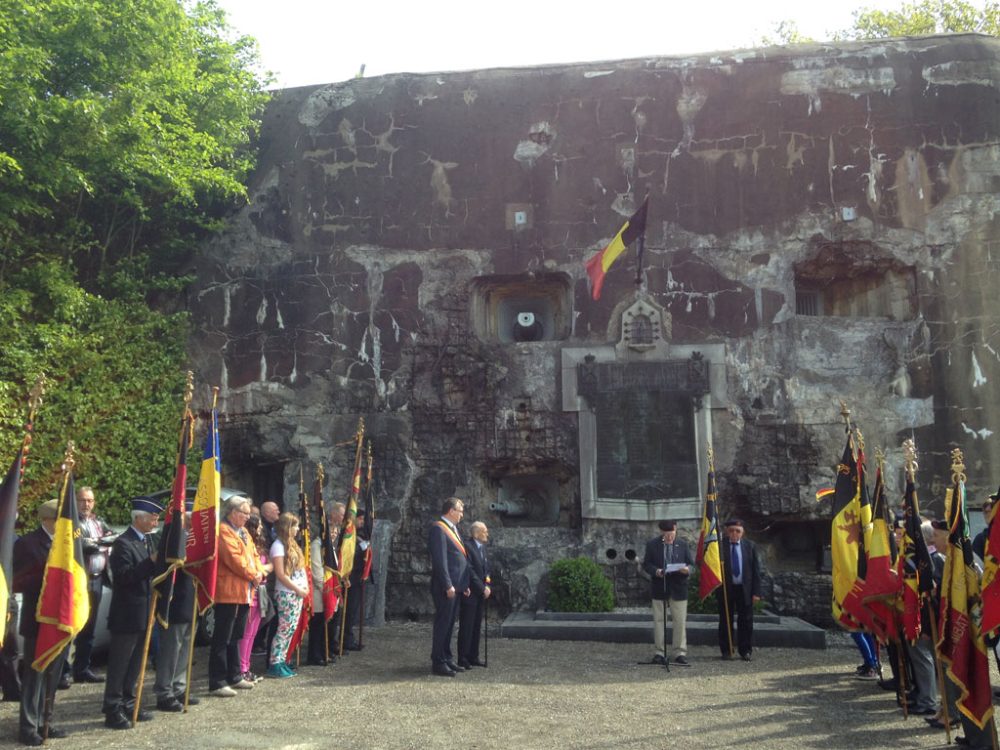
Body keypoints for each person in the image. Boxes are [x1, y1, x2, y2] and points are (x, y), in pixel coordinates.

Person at [102, 497, 162, 730]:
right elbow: (125, 577)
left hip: (144, 611)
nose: (155, 521)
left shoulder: (145, 541)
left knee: (136, 663)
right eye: (152, 518)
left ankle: (129, 701)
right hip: (127, 613)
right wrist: (151, 561)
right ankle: (112, 707)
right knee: (120, 664)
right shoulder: (123, 544)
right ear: (138, 518)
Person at [14, 500, 69, 746]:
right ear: (48, 520)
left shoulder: (67, 544)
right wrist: (49, 577)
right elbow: (19, 580)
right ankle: (28, 726)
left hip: (60, 618)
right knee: (35, 675)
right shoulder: (28, 544)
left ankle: (47, 720)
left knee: (53, 675)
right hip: (37, 618)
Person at [209, 496, 263, 697]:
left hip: (245, 592)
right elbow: (234, 559)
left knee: (236, 636)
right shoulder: (223, 531)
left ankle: (234, 675)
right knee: (222, 637)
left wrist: (258, 572)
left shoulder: (245, 532)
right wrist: (253, 574)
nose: (248, 517)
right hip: (229, 592)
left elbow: (254, 555)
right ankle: (217, 680)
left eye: (249, 513)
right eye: (245, 512)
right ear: (232, 512)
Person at [153, 501, 199, 712]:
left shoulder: (196, 538)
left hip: (193, 599)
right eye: (191, 517)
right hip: (176, 599)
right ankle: (164, 691)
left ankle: (179, 687)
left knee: (185, 648)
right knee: (172, 648)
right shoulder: (175, 538)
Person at [72, 485, 115, 684]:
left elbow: (113, 537)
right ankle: (65, 671)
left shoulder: (99, 521)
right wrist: (100, 542)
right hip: (80, 581)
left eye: (90, 500)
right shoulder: (72, 523)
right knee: (74, 625)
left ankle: (83, 668)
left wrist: (97, 541)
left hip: (97, 579)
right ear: (76, 501)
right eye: (82, 500)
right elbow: (84, 547)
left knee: (90, 627)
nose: (86, 504)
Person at [642, 520, 694, 667]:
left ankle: (679, 653)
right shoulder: (652, 545)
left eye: (672, 534)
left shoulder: (683, 544)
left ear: (676, 530)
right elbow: (647, 564)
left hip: (679, 587)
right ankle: (659, 652)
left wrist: (687, 570)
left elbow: (691, 564)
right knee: (659, 621)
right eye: (667, 535)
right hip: (660, 587)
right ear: (661, 532)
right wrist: (656, 571)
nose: (670, 537)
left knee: (680, 621)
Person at [428, 497, 470, 677]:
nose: (462, 514)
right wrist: (448, 584)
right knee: (443, 625)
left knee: (450, 625)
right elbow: (440, 561)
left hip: (456, 586)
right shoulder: (438, 528)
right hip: (446, 586)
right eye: (460, 510)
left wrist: (464, 584)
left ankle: (447, 658)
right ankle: (438, 662)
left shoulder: (454, 529)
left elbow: (459, 560)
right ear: (451, 511)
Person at [268, 512, 309, 678]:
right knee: (284, 629)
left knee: (291, 628)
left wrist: (303, 588)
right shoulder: (278, 546)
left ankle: (283, 659)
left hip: (296, 593)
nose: (298, 529)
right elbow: (280, 574)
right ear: (287, 527)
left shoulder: (292, 544)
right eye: (295, 526)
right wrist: (297, 589)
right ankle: (275, 662)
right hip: (287, 593)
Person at [716, 518, 762, 662]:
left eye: (738, 531)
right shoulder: (719, 546)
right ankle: (726, 650)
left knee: (746, 621)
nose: (734, 533)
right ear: (726, 532)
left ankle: (745, 650)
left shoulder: (750, 546)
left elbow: (756, 571)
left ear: (743, 532)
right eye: (731, 531)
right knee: (725, 621)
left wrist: (756, 592)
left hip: (745, 589)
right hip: (726, 589)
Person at [238, 513, 273, 679]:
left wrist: (265, 569)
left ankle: (247, 666)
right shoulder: (246, 547)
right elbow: (257, 569)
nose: (261, 530)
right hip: (252, 591)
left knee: (253, 633)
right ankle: (241, 668)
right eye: (258, 526)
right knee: (246, 633)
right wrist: (266, 569)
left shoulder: (259, 547)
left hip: (262, 590)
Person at [307, 505, 342, 666]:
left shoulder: (331, 548)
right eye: (331, 532)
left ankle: (324, 651)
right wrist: (325, 588)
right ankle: (314, 655)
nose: (333, 535)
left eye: (335, 532)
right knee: (318, 625)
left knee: (326, 626)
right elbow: (316, 570)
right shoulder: (317, 545)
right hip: (320, 591)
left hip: (330, 591)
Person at [457, 521, 491, 668]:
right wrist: (481, 588)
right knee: (467, 626)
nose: (487, 534)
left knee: (477, 625)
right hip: (470, 592)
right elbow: (469, 570)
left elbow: (486, 570)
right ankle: (463, 658)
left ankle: (473, 656)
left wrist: (487, 585)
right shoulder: (468, 547)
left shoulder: (483, 548)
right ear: (476, 533)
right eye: (484, 531)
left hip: (481, 593)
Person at [343, 510, 370, 651]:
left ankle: (349, 637)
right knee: (349, 610)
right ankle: (345, 639)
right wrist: (361, 547)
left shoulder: (359, 534)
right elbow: (348, 554)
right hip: (351, 577)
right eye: (360, 519)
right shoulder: (348, 534)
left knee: (353, 611)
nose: (362, 522)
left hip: (358, 577)